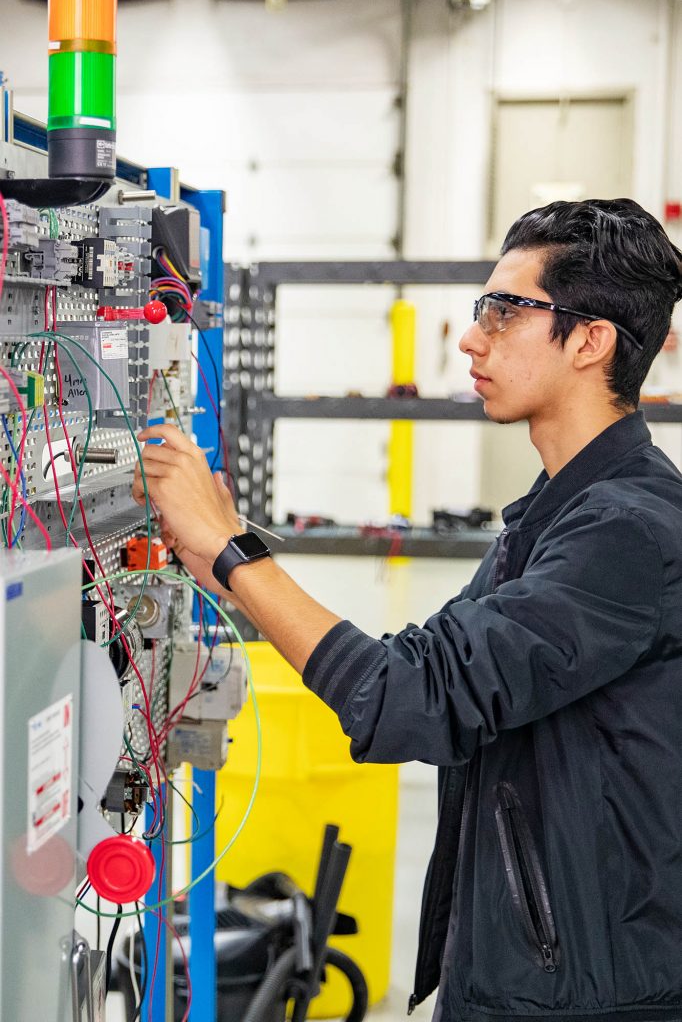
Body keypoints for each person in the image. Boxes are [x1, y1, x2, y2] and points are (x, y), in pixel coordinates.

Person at [133, 198, 682, 1022]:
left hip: (590, 999)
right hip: (529, 978)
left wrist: (234, 556)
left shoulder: (628, 532)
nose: (471, 337)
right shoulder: (557, 513)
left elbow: (410, 702)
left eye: (506, 311)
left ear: (590, 340)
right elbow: (414, 666)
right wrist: (225, 564)